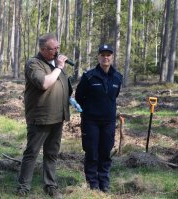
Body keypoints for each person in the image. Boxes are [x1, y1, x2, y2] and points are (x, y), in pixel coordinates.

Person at [17, 33, 72, 199]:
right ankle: (23, 187)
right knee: (32, 152)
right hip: (40, 117)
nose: (56, 52)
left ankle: (50, 185)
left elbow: (63, 85)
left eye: (57, 48)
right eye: (51, 49)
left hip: (58, 116)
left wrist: (70, 97)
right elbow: (44, 83)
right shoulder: (34, 63)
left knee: (52, 153)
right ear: (42, 49)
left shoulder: (55, 65)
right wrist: (59, 67)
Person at [75, 44, 122, 192]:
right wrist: (90, 110)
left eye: (108, 55)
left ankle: (104, 182)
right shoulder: (89, 76)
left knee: (105, 152)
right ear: (98, 57)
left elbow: (114, 96)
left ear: (112, 57)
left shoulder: (117, 77)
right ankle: (92, 183)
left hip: (109, 121)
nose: (105, 57)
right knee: (92, 152)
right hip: (91, 121)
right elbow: (79, 96)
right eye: (103, 55)